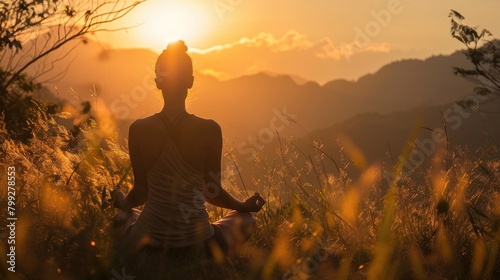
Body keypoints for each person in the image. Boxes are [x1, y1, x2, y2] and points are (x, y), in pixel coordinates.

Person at [112, 40, 265, 275]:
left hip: (147, 240)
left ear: (157, 82)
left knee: (124, 216)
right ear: (191, 81)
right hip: (198, 243)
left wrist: (122, 202)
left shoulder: (139, 129)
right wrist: (242, 206)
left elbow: (141, 192)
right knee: (246, 221)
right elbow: (212, 191)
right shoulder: (210, 129)